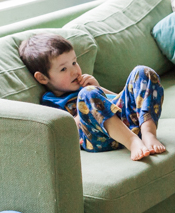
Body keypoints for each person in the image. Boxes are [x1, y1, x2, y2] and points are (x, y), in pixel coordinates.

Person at [18, 34, 165, 161]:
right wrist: (89, 98)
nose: (75, 71)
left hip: (129, 123)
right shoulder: (50, 101)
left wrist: (99, 89)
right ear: (43, 78)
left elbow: (118, 102)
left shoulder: (86, 87)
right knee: (87, 93)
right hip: (98, 139)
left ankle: (148, 133)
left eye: (74, 62)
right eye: (63, 69)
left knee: (142, 72)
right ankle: (132, 142)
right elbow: (61, 131)